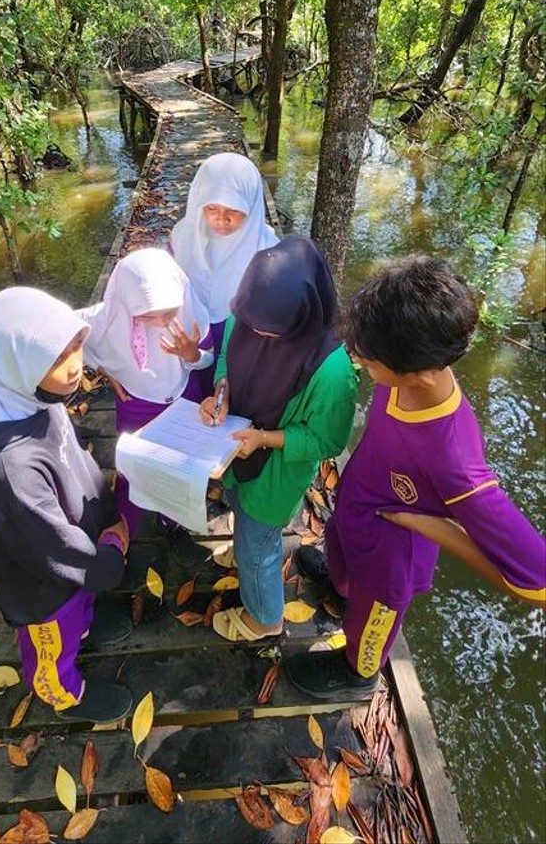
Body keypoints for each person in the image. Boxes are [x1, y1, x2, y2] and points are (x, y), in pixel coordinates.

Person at [285, 255, 546, 702]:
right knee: (342, 556)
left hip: (390, 553)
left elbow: (537, 580)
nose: (361, 364)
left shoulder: (454, 460)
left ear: (418, 372)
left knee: (371, 617)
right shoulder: (411, 363)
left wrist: (429, 524)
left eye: (369, 363)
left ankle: (356, 673)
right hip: (359, 511)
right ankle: (340, 583)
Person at [0, 287, 133, 724]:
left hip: (75, 564)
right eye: (55, 359)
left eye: (77, 347)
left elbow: (67, 457)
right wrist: (108, 559)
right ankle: (63, 692)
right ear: (15, 361)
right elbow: (52, 550)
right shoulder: (7, 472)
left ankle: (84, 625)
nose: (74, 369)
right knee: (52, 645)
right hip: (45, 588)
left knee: (79, 611)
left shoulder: (31, 395)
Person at [200, 236, 357, 641]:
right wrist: (221, 390)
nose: (261, 336)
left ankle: (266, 619)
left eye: (274, 333)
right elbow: (225, 358)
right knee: (238, 510)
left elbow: (327, 441)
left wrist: (266, 438)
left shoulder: (332, 369)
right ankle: (246, 554)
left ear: (304, 314)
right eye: (254, 328)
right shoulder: (246, 315)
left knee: (260, 544)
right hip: (236, 451)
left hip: (275, 475)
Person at [79, 248, 213, 564]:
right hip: (136, 403)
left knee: (180, 462)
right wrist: (107, 372)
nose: (160, 322)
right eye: (147, 315)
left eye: (168, 313)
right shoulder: (106, 318)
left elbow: (206, 360)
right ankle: (121, 528)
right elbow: (70, 337)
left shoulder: (188, 311)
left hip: (183, 398)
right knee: (134, 463)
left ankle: (172, 522)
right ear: (124, 301)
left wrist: (192, 354)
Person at [170, 152, 279, 381]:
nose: (221, 220)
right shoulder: (183, 237)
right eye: (212, 208)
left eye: (233, 210)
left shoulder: (269, 249)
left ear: (251, 203)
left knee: (233, 392)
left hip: (243, 335)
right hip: (193, 335)